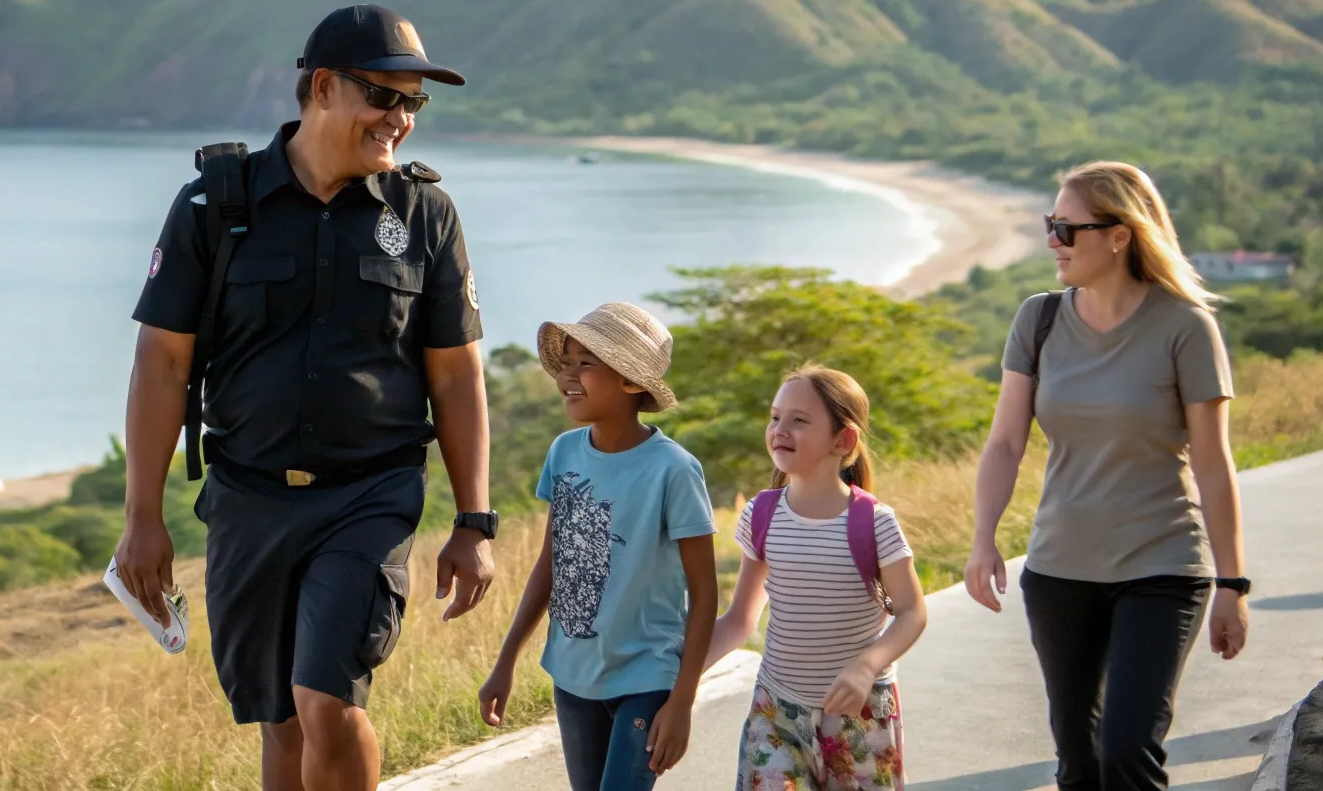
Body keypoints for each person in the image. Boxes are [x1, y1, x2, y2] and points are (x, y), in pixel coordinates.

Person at [114, 4, 498, 791]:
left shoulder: (424, 214)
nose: (399, 119)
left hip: (371, 496)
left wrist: (474, 521)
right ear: (323, 87)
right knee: (280, 719)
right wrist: (141, 517)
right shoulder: (214, 207)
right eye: (384, 97)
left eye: (413, 104)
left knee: (326, 698)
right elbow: (161, 365)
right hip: (247, 499)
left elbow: (456, 376)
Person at [964, 160, 1249, 791]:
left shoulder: (1185, 327)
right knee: (1079, 760)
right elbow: (1006, 442)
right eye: (1050, 225)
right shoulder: (1037, 320)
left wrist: (1233, 581)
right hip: (1060, 571)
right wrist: (983, 539)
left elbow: (1211, 461)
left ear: (1119, 234)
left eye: (1067, 229)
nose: (1051, 242)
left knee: (1126, 748)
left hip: (1163, 566)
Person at [479, 302, 718, 791]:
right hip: (572, 676)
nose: (568, 374)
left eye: (587, 363)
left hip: (648, 678)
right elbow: (550, 565)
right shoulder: (563, 452)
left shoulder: (674, 470)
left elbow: (706, 594)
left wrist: (682, 701)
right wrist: (505, 663)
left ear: (632, 380)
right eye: (566, 361)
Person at [706, 366, 927, 790]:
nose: (780, 429)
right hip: (776, 712)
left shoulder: (875, 522)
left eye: (799, 420)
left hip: (860, 717)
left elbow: (913, 613)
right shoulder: (761, 515)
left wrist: (867, 667)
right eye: (775, 417)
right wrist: (679, 682)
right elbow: (738, 621)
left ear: (843, 440)